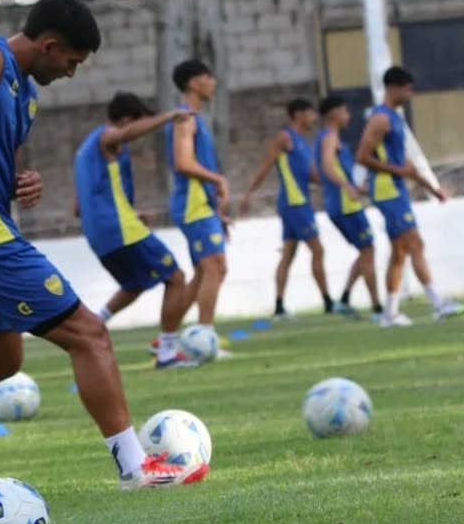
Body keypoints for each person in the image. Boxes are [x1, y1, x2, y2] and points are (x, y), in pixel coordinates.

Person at [0, 0, 206, 490]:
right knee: (89, 334)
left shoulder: (25, 95)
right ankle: (135, 467)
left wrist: (21, 183)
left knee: (1, 361)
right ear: (49, 45)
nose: (71, 72)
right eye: (71, 61)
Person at [73, 91, 194, 368]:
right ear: (127, 120)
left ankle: (93, 324)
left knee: (134, 284)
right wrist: (169, 116)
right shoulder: (107, 137)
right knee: (175, 277)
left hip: (98, 234)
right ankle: (167, 352)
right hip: (119, 228)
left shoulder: (84, 151)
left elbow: (79, 206)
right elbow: (121, 135)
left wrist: (128, 212)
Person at [355, 66, 464, 327]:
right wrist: (398, 172)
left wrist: (433, 189)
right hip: (386, 190)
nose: (411, 94)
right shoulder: (380, 119)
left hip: (395, 188)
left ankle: (390, 314)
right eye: (407, 89)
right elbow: (362, 156)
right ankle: (438, 304)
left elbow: (405, 163)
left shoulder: (395, 119)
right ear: (393, 88)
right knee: (415, 243)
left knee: (400, 251)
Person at [239, 97, 333, 319]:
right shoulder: (285, 138)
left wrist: (336, 183)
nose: (314, 118)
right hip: (294, 203)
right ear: (298, 114)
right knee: (318, 250)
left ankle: (279, 306)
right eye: (310, 113)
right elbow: (266, 166)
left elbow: (310, 174)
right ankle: (328, 301)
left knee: (288, 254)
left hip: (298, 203)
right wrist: (249, 193)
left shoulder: (303, 142)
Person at [165, 60, 228, 343]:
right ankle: (205, 339)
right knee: (216, 266)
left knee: (204, 272)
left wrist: (217, 211)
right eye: (208, 76)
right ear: (193, 83)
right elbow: (183, 163)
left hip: (200, 205)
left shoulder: (196, 118)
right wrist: (218, 179)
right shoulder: (185, 118)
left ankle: (166, 340)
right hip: (192, 205)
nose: (213, 82)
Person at [314, 95, 382, 320]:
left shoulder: (329, 138)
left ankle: (345, 298)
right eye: (344, 111)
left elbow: (332, 168)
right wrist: (346, 187)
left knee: (366, 250)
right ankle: (378, 309)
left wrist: (355, 186)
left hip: (344, 203)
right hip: (345, 206)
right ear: (333, 113)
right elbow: (327, 165)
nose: (348, 116)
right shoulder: (329, 137)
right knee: (368, 251)